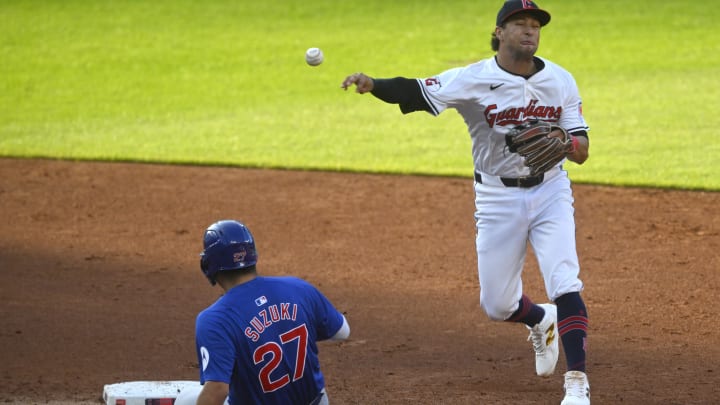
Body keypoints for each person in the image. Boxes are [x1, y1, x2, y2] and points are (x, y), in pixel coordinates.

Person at [340, 1, 590, 404]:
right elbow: (417, 91)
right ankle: (540, 319)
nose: (530, 31)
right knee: (497, 304)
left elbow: (582, 148)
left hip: (550, 191)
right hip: (496, 196)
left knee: (565, 279)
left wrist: (566, 143)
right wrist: (374, 84)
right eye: (519, 24)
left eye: (534, 25)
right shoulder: (473, 79)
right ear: (498, 32)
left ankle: (577, 383)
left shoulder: (560, 80)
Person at [179, 219, 350, 405]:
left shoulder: (214, 319)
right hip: (315, 402)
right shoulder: (298, 288)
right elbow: (343, 332)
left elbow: (217, 390)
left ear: (209, 264)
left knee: (186, 400)